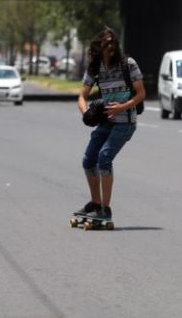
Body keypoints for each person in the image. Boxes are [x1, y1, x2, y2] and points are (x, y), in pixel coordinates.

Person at [75, 27, 145, 221]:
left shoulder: (128, 64)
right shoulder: (95, 67)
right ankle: (95, 203)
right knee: (88, 160)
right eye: (107, 43)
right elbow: (82, 96)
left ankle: (106, 209)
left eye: (113, 42)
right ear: (99, 46)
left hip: (125, 122)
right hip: (106, 121)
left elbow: (141, 94)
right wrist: (86, 113)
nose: (111, 46)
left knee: (104, 157)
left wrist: (122, 106)